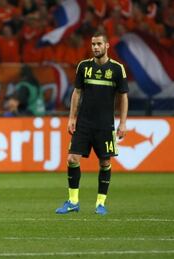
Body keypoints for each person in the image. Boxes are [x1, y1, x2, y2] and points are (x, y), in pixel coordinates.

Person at [55, 32, 128, 215]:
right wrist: (72, 118)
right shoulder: (83, 66)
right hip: (84, 123)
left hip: (105, 125)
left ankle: (100, 203)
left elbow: (123, 97)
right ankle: (73, 201)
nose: (95, 47)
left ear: (107, 46)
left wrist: (123, 123)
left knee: (104, 162)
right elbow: (77, 93)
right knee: (72, 159)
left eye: (98, 44)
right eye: (93, 44)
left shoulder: (117, 69)